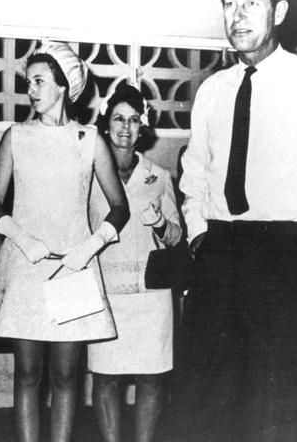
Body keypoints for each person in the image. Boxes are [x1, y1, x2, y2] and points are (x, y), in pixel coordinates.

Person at [178, 0, 297, 442]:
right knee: (211, 401)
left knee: (283, 400)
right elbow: (194, 173)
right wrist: (200, 234)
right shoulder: (211, 92)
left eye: (251, 3)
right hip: (220, 254)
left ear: (279, 10)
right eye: (229, 4)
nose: (237, 15)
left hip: (286, 253)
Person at [0, 41, 130, 442]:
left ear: (63, 85)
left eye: (40, 81)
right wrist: (21, 238)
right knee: (27, 373)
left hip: (73, 269)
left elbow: (119, 207)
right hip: (25, 268)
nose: (32, 89)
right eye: (29, 82)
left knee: (66, 376)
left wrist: (90, 246)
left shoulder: (89, 139)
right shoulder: (16, 136)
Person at [87, 82, 182, 442]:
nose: (125, 127)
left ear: (143, 126)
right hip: (105, 295)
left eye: (132, 120)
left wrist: (160, 223)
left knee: (152, 378)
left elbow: (176, 239)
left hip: (151, 296)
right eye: (118, 118)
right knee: (106, 378)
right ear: (105, 123)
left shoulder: (159, 177)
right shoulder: (89, 174)